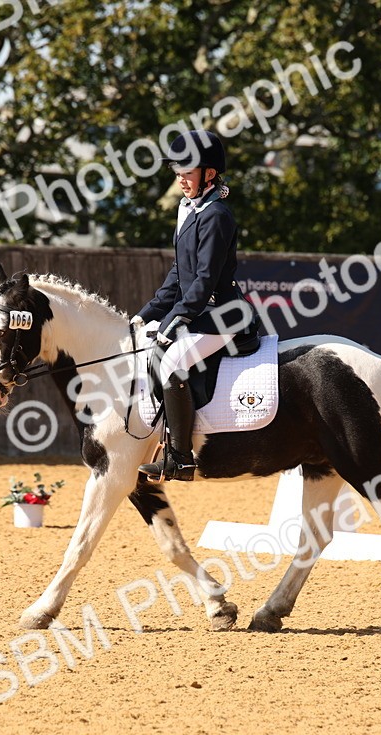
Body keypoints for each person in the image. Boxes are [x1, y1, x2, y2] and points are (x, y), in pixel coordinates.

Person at [133, 129, 255, 481]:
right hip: (200, 312)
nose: (180, 179)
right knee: (151, 351)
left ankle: (181, 458)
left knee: (172, 364)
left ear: (210, 174)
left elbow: (203, 280)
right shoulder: (190, 210)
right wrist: (146, 314)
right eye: (177, 172)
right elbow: (178, 276)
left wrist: (174, 321)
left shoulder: (217, 214)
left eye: (187, 172)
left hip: (224, 313)